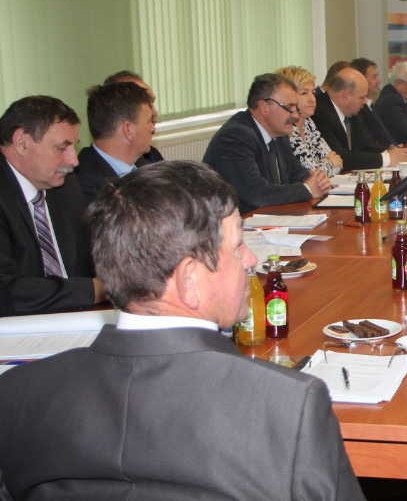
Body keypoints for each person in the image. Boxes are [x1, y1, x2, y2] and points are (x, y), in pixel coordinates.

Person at [0, 161, 367, 499]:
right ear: (189, 280)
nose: (251, 259)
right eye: (238, 246)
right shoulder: (288, 404)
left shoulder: (17, 393)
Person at [0, 96, 101, 316]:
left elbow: (90, 258)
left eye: (73, 147)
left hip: (74, 319)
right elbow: (7, 293)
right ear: (22, 143)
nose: (73, 161)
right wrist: (95, 290)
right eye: (62, 148)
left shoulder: (65, 186)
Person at [202, 73, 331, 215]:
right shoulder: (235, 137)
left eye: (296, 108)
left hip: (270, 218)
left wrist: (314, 180)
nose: (295, 115)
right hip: (238, 223)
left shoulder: (278, 132)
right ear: (263, 107)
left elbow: (295, 172)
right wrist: (307, 189)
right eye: (289, 108)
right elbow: (257, 193)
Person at [76, 81, 157, 205]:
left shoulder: (145, 165)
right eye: (149, 121)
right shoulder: (86, 186)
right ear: (128, 130)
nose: (152, 128)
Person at [314, 67, 407, 171]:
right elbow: (340, 157)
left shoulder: (353, 111)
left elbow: (365, 144)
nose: (365, 102)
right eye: (361, 97)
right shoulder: (320, 113)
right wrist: (386, 158)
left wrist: (388, 152)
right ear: (345, 96)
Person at [275, 65, 344, 177]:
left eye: (313, 92)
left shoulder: (308, 123)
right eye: (304, 93)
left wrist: (326, 164)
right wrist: (329, 162)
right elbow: (309, 174)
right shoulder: (285, 127)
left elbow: (338, 162)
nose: (312, 99)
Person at [103, 69, 164, 163]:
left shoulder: (152, 155)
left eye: (152, 102)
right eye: (146, 103)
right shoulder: (91, 167)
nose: (154, 112)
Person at [350, 56, 398, 147]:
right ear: (361, 79)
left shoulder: (370, 105)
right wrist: (389, 151)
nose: (379, 81)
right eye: (374, 77)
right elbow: (366, 143)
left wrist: (395, 148)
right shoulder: (356, 110)